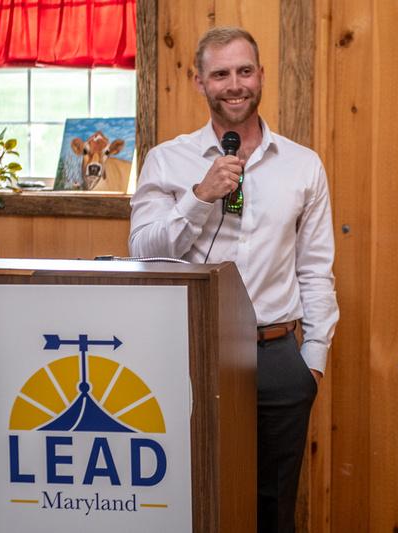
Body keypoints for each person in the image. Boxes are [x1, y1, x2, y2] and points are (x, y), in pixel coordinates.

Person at [128, 26, 338, 533]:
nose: (234, 84)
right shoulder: (167, 160)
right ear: (199, 82)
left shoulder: (303, 165)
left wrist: (311, 362)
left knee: (273, 509)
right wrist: (199, 197)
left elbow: (315, 268)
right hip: (187, 358)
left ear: (261, 76)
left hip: (278, 358)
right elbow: (142, 252)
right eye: (220, 74)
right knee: (187, 497)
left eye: (244, 71)